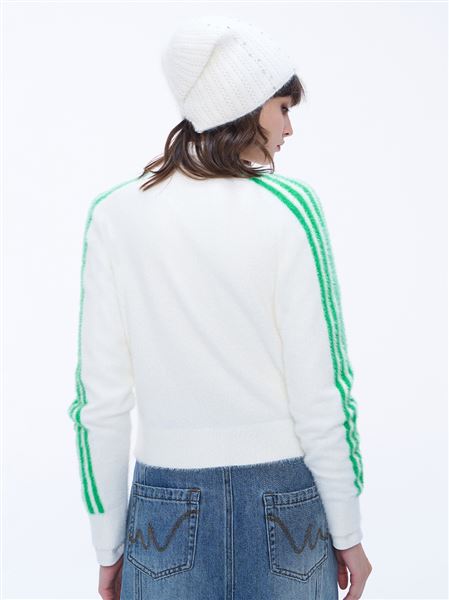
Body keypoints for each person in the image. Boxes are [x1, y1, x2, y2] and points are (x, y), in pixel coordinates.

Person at [68, 14, 373, 600]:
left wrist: (109, 545)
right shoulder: (291, 208)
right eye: (283, 108)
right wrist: (348, 532)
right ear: (246, 106)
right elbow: (324, 393)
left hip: (162, 509)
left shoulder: (115, 215)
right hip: (286, 503)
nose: (289, 127)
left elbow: (99, 406)